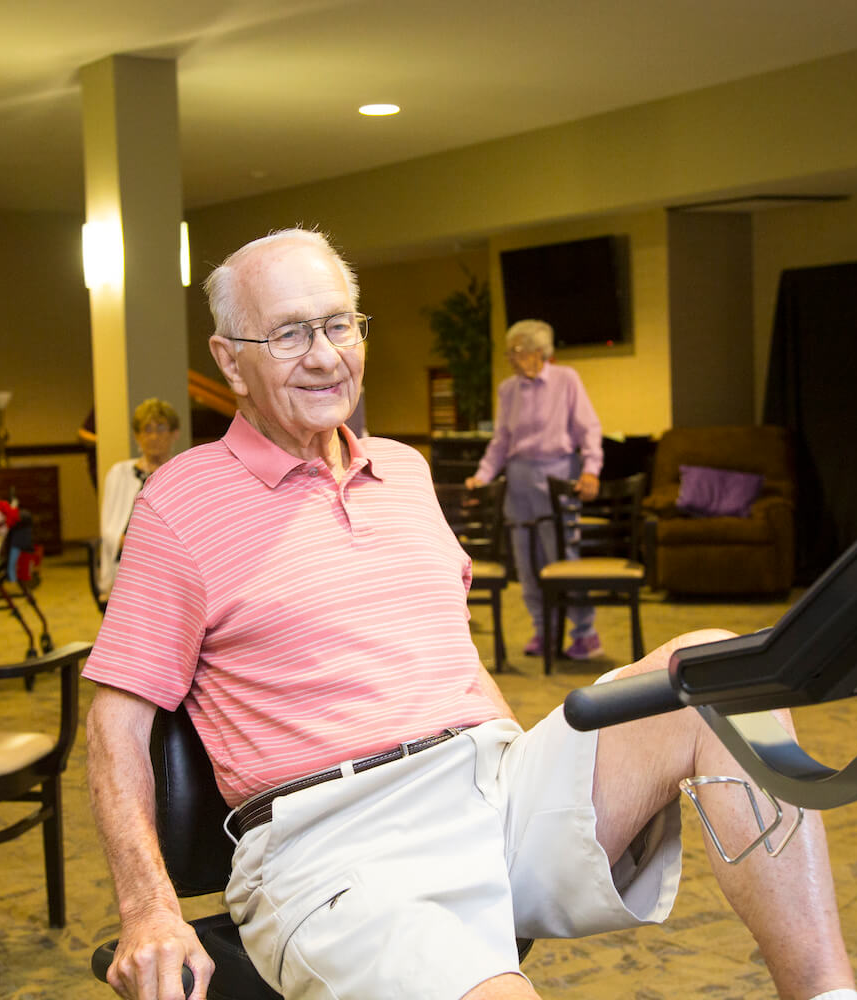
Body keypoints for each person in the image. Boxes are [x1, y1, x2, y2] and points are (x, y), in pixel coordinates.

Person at [83, 229, 854, 1000]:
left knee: (717, 674)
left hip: (494, 786)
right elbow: (115, 723)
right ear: (228, 360)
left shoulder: (407, 473)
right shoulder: (180, 503)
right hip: (337, 843)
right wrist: (146, 907)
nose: (324, 355)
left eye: (339, 324)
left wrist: (531, 768)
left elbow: (450, 651)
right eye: (289, 333)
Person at [466, 320, 604, 660]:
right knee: (527, 560)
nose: (511, 358)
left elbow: (589, 429)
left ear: (537, 352)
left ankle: (584, 633)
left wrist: (591, 470)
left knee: (563, 558)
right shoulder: (507, 389)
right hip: (520, 479)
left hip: (557, 476)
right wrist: (482, 476)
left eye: (516, 351)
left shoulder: (566, 379)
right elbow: (501, 441)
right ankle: (544, 631)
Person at [97, 398, 181, 600]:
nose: (154, 436)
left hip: (169, 563)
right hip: (127, 559)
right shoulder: (119, 473)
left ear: (174, 434)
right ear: (137, 435)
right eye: (147, 429)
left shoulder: (181, 473)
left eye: (161, 428)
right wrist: (131, 543)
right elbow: (108, 527)